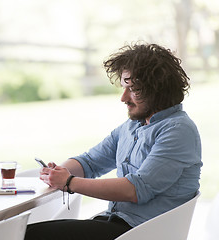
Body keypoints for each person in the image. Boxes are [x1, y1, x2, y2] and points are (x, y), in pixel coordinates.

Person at [24, 42, 202, 240]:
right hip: (116, 223)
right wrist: (56, 173)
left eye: (133, 89)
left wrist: (69, 182)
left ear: (157, 90)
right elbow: (90, 162)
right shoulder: (133, 126)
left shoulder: (178, 130)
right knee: (27, 233)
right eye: (124, 88)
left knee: (31, 236)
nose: (123, 98)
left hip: (142, 232)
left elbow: (134, 189)